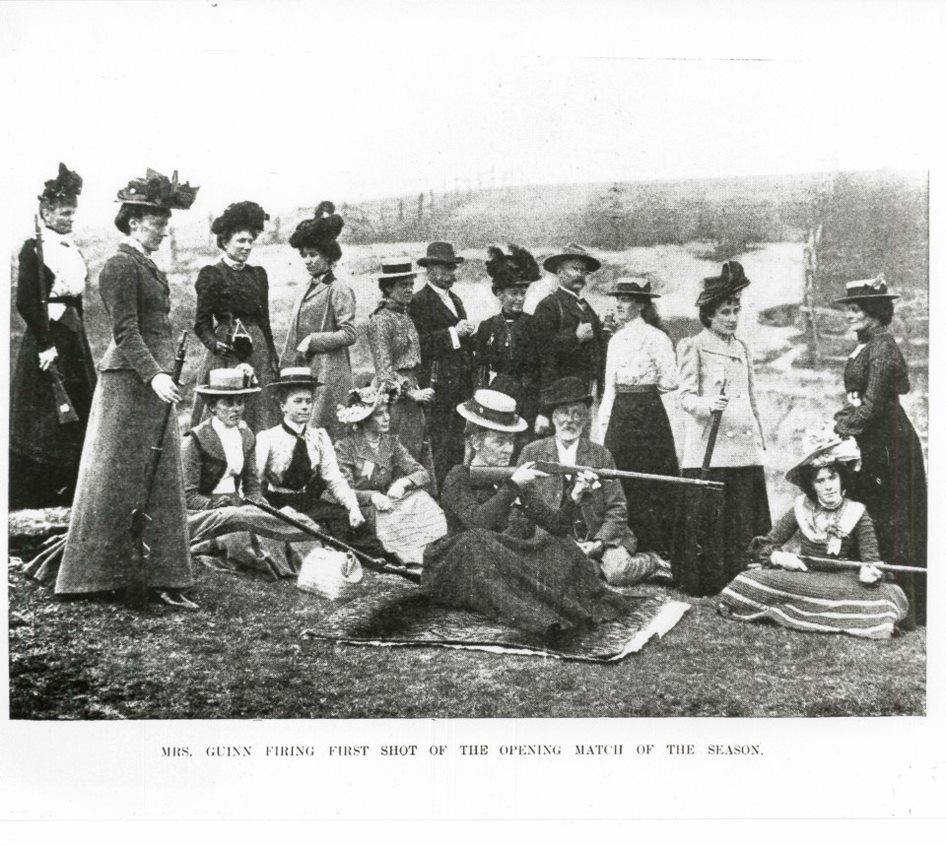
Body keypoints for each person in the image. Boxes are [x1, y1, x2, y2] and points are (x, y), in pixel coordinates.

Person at [56, 169, 199, 608]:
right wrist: (155, 374)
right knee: (116, 479)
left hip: (154, 384)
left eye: (164, 222)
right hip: (129, 384)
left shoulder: (145, 264)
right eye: (157, 222)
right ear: (135, 221)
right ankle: (97, 575)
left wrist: (162, 375)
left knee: (158, 480)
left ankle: (163, 575)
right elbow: (125, 331)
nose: (163, 228)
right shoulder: (120, 265)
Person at [422, 389, 634, 642]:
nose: (507, 450)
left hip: (499, 563)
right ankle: (543, 618)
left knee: (556, 543)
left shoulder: (513, 477)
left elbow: (556, 526)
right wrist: (512, 486)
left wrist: (575, 497)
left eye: (510, 442)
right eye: (498, 442)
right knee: (477, 541)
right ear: (477, 442)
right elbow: (477, 523)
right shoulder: (459, 476)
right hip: (462, 566)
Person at [718, 429, 909, 638]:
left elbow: (871, 559)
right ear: (811, 486)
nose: (828, 486)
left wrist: (870, 572)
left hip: (841, 581)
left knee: (885, 595)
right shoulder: (801, 508)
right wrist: (777, 556)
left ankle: (812, 612)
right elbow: (765, 544)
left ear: (841, 479)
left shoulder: (857, 512)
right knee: (747, 579)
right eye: (820, 481)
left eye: (832, 478)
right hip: (804, 577)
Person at [832, 274, 927, 627]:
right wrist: (838, 423)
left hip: (891, 445)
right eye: (849, 309)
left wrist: (841, 430)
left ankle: (902, 606)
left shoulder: (883, 347)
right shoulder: (867, 344)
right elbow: (857, 402)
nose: (849, 315)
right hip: (873, 439)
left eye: (855, 309)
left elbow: (873, 406)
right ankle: (867, 600)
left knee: (890, 518)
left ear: (873, 310)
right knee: (871, 514)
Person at [674, 260, 771, 592]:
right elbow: (685, 396)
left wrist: (759, 434)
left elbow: (751, 396)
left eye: (735, 311)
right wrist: (706, 405)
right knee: (711, 519)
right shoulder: (694, 346)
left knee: (741, 516)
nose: (731, 318)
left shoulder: (742, 348)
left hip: (742, 449)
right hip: (710, 448)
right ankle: (706, 580)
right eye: (725, 312)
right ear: (709, 315)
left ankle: (740, 578)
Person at [519, 377, 668, 586]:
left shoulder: (601, 455)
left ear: (586, 418)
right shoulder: (532, 452)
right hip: (555, 538)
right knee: (553, 571)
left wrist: (599, 542)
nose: (569, 420)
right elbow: (523, 506)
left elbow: (618, 508)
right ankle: (591, 568)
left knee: (618, 574)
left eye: (577, 413)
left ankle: (651, 561)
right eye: (563, 413)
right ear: (553, 417)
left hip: (602, 538)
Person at [10, 163, 96, 508]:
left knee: (80, 402)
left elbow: (76, 297)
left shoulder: (69, 248)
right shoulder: (34, 248)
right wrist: (45, 344)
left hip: (72, 337)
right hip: (47, 338)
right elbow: (26, 301)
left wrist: (76, 333)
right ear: (45, 211)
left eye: (73, 213)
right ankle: (40, 491)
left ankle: (76, 484)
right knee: (47, 413)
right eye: (63, 213)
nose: (69, 219)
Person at [183, 367, 320, 577]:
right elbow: (187, 495)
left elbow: (251, 486)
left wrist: (260, 503)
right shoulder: (196, 440)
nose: (236, 409)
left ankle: (313, 563)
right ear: (212, 407)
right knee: (241, 524)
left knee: (292, 518)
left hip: (237, 506)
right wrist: (212, 504)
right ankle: (273, 562)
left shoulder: (245, 435)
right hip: (202, 514)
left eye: (240, 402)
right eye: (228, 403)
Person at [255, 368, 393, 564]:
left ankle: (380, 564)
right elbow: (253, 483)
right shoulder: (268, 438)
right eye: (298, 401)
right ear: (283, 405)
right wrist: (271, 510)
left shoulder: (318, 437)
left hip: (307, 501)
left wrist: (353, 506)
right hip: (276, 503)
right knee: (311, 533)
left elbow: (334, 479)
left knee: (346, 520)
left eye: (308, 401)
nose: (305, 407)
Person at [594, 277, 679, 560]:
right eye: (618, 298)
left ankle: (657, 544)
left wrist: (645, 390)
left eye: (626, 299)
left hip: (649, 414)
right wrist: (603, 428)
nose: (619, 304)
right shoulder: (615, 339)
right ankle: (625, 542)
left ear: (641, 304)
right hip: (621, 413)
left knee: (653, 474)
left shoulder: (657, 338)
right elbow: (609, 388)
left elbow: (671, 380)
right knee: (621, 472)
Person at [190, 201, 279, 432]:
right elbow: (201, 324)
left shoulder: (258, 275)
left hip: (256, 350)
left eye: (250, 241)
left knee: (260, 410)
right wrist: (214, 344)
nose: (247, 246)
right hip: (225, 352)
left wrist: (271, 356)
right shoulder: (212, 274)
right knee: (225, 409)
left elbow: (264, 320)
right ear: (225, 241)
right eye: (241, 241)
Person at [332, 385, 446, 564]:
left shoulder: (391, 443)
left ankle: (427, 554)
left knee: (420, 498)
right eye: (379, 414)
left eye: (387, 412)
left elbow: (422, 473)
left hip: (390, 503)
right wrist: (372, 496)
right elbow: (342, 490)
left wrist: (404, 483)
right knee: (394, 520)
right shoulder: (345, 447)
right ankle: (410, 558)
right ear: (365, 419)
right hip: (364, 510)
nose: (387, 418)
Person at [281, 201, 354, 439]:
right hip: (307, 370)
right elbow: (294, 332)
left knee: (324, 432)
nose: (307, 261)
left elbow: (349, 333)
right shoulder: (304, 289)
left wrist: (313, 340)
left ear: (328, 256)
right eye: (304, 256)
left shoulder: (338, 288)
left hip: (330, 373)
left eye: (313, 255)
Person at [407, 241, 475, 487]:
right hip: (435, 385)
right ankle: (435, 492)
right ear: (429, 270)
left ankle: (453, 493)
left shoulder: (455, 299)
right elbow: (418, 344)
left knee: (456, 441)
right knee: (437, 443)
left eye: (452, 268)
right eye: (444, 268)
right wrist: (454, 333)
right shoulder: (418, 301)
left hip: (458, 386)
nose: (450, 274)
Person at [366, 260, 436, 485]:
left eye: (411, 284)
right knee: (396, 453)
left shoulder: (405, 316)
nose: (409, 290)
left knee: (416, 450)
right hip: (392, 401)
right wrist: (411, 393)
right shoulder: (380, 320)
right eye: (402, 285)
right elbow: (385, 371)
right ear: (388, 288)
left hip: (412, 398)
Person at [531, 243, 606, 434]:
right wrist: (575, 338)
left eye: (583, 270)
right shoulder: (549, 306)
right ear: (560, 273)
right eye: (574, 269)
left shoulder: (586, 307)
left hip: (585, 393)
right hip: (558, 396)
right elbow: (542, 353)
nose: (580, 274)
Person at [473, 244, 542, 436]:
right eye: (514, 293)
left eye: (523, 293)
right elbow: (480, 368)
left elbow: (547, 367)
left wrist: (543, 410)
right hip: (497, 397)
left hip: (529, 399)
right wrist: (479, 397)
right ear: (500, 294)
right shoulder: (488, 326)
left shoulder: (535, 325)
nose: (519, 299)